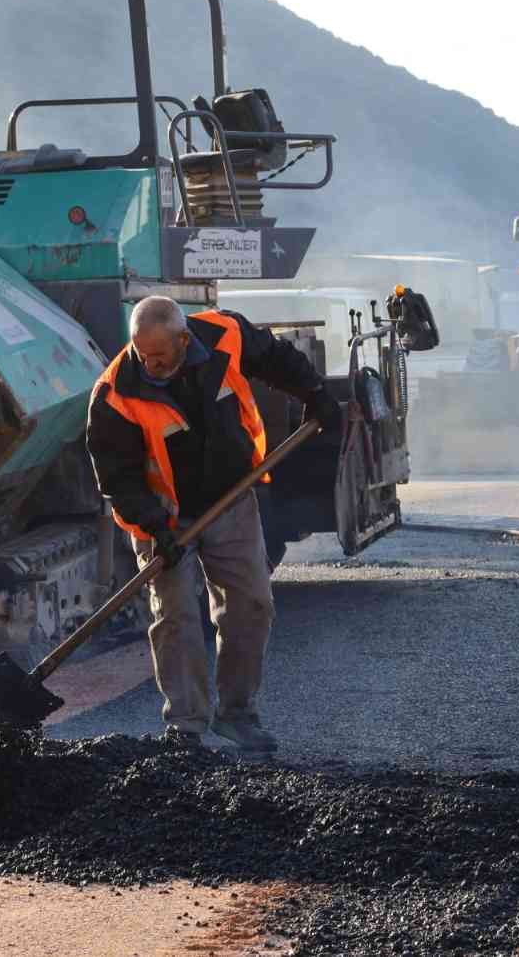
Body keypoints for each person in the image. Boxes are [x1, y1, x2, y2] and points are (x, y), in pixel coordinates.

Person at [85, 296, 342, 752]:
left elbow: (276, 357)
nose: (150, 363)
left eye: (160, 355)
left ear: (184, 339)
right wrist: (155, 528)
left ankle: (237, 714)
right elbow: (117, 478)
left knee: (252, 605)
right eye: (142, 354)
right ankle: (185, 727)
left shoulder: (226, 334)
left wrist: (315, 393)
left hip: (230, 500)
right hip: (163, 517)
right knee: (177, 616)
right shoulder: (115, 394)